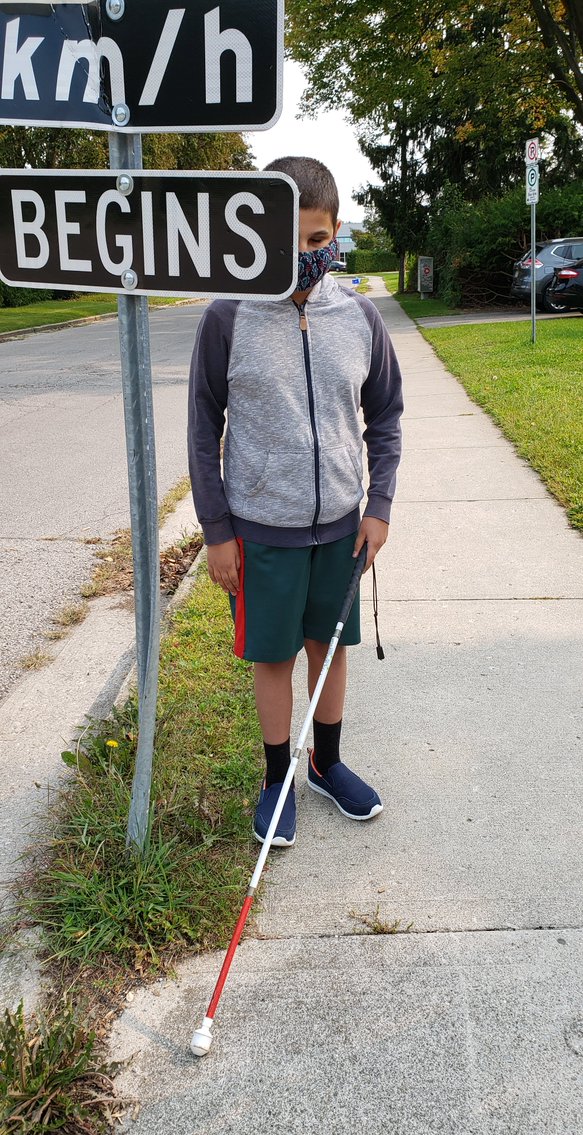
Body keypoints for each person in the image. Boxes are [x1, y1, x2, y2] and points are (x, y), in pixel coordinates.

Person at [188, 156, 403, 848]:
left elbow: (386, 418)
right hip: (261, 531)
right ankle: (276, 777)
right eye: (287, 243)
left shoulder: (361, 318)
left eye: (316, 241)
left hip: (341, 526)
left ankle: (326, 764)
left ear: (334, 232)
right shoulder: (228, 316)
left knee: (329, 648)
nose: (304, 256)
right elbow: (202, 427)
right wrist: (217, 530)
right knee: (274, 657)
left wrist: (379, 505)